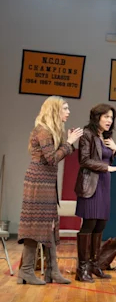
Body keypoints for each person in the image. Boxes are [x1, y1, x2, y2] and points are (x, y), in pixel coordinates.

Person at [17, 96, 83, 285]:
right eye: (65, 108)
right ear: (55, 111)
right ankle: (27, 270)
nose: (68, 112)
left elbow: (55, 155)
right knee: (35, 226)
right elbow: (52, 158)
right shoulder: (43, 131)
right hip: (38, 182)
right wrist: (69, 143)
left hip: (46, 181)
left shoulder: (51, 131)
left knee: (50, 225)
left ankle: (52, 271)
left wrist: (67, 142)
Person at [74, 104, 116, 283]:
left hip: (104, 183)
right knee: (89, 224)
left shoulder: (105, 137)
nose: (109, 121)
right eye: (106, 117)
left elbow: (105, 157)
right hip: (90, 184)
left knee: (101, 224)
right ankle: (82, 269)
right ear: (96, 117)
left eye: (111, 118)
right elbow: (84, 160)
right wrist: (108, 167)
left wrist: (115, 149)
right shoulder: (87, 134)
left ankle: (94, 265)